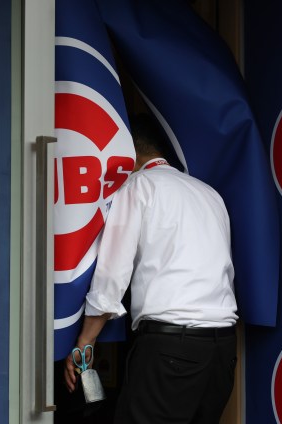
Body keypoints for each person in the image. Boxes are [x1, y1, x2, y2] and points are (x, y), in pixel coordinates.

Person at [64, 113, 238, 423]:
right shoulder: (209, 194)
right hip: (221, 349)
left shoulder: (139, 185)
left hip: (172, 347)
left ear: (129, 152)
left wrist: (85, 340)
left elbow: (112, 274)